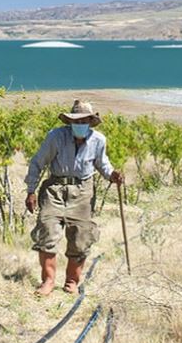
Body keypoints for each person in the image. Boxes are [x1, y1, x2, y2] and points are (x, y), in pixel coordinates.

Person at [24, 99, 122, 296]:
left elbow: (102, 164)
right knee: (47, 231)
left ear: (90, 121)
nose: (80, 124)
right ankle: (48, 281)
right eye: (76, 121)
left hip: (83, 191)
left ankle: (71, 281)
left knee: (81, 237)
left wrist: (112, 175)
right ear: (70, 122)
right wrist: (31, 190)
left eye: (84, 121)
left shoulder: (98, 140)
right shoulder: (55, 136)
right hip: (55, 188)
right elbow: (38, 162)